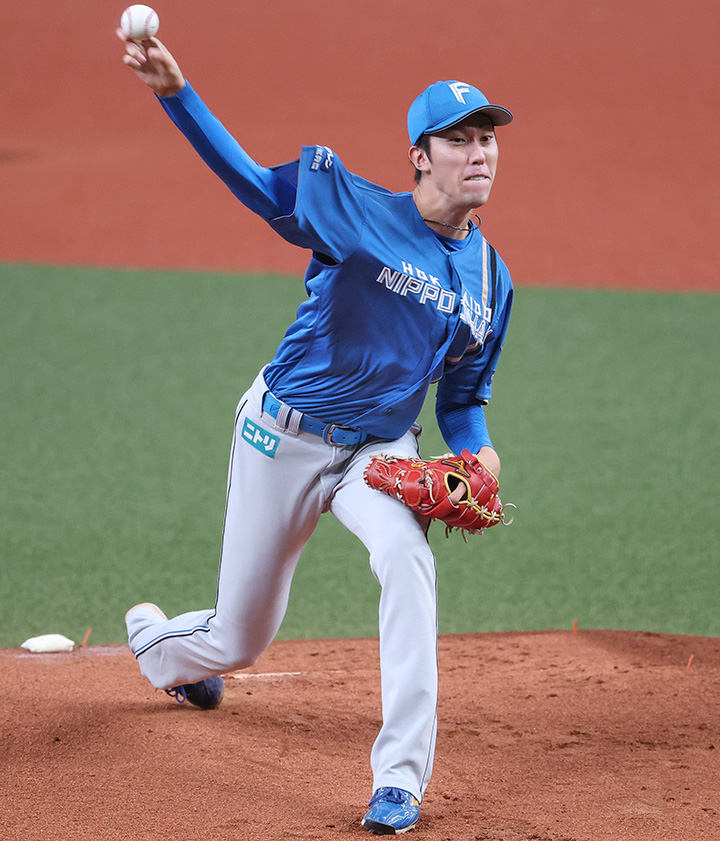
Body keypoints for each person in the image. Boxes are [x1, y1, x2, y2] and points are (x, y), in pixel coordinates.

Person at [118, 28, 514, 836]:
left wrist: (481, 455)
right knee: (239, 636)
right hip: (283, 436)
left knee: (407, 559)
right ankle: (160, 647)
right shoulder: (354, 208)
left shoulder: (491, 279)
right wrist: (177, 95)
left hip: (379, 452)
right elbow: (255, 184)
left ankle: (398, 780)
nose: (479, 153)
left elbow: (463, 400)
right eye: (459, 141)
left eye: (487, 139)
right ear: (420, 157)